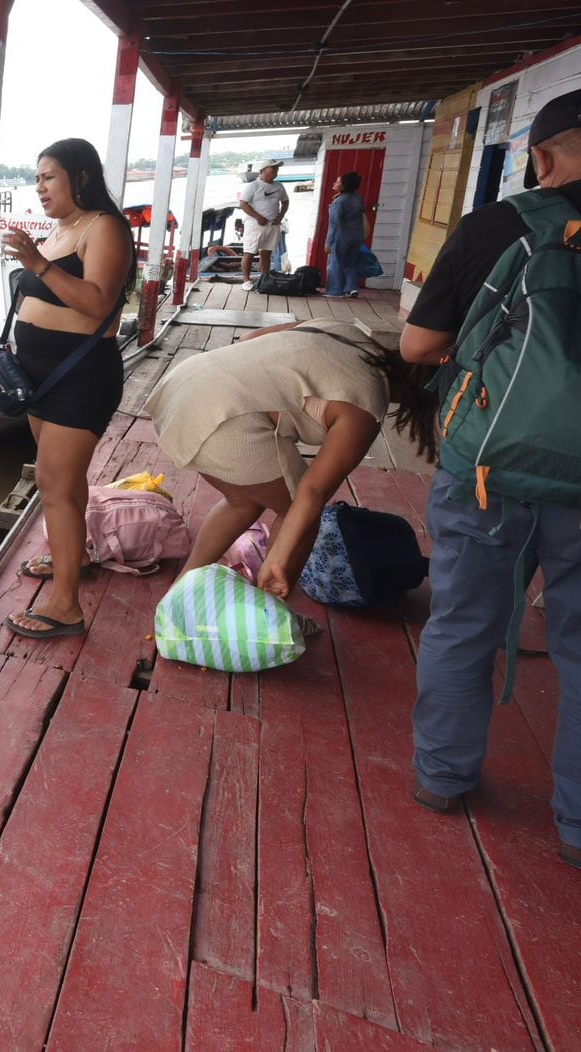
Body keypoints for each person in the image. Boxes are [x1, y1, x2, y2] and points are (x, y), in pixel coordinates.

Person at [401, 87, 581, 868]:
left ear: (540, 157)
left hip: (488, 469)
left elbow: (416, 346)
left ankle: (442, 777)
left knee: (465, 623)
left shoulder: (497, 226)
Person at [145, 318, 437, 596]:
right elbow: (314, 491)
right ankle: (270, 611)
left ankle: (179, 595)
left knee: (243, 503)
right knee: (300, 515)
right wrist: (280, 558)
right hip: (223, 420)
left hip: (185, 381)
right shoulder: (367, 405)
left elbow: (249, 339)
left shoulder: (343, 330)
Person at [0, 138, 137, 640]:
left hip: (79, 376)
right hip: (39, 375)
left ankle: (65, 606)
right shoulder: (61, 230)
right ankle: (73, 557)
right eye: (36, 179)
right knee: (65, 480)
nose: (40, 188)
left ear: (80, 177)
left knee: (53, 485)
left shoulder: (104, 227)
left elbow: (98, 302)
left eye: (49, 177)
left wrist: (37, 264)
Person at [238, 159, 289, 281]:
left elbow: (285, 201)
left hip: (273, 225)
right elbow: (243, 204)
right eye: (273, 168)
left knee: (266, 253)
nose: (276, 170)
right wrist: (258, 217)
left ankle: (264, 279)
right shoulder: (253, 186)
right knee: (249, 252)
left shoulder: (279, 186)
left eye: (277, 168)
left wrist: (280, 216)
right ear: (263, 170)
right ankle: (246, 280)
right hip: (255, 225)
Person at [325, 171, 366, 298]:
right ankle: (352, 287)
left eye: (337, 182)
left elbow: (334, 224)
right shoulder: (357, 197)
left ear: (343, 186)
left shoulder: (339, 202)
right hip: (357, 234)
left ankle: (334, 291)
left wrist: (328, 242)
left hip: (342, 235)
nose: (334, 183)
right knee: (351, 262)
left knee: (336, 261)